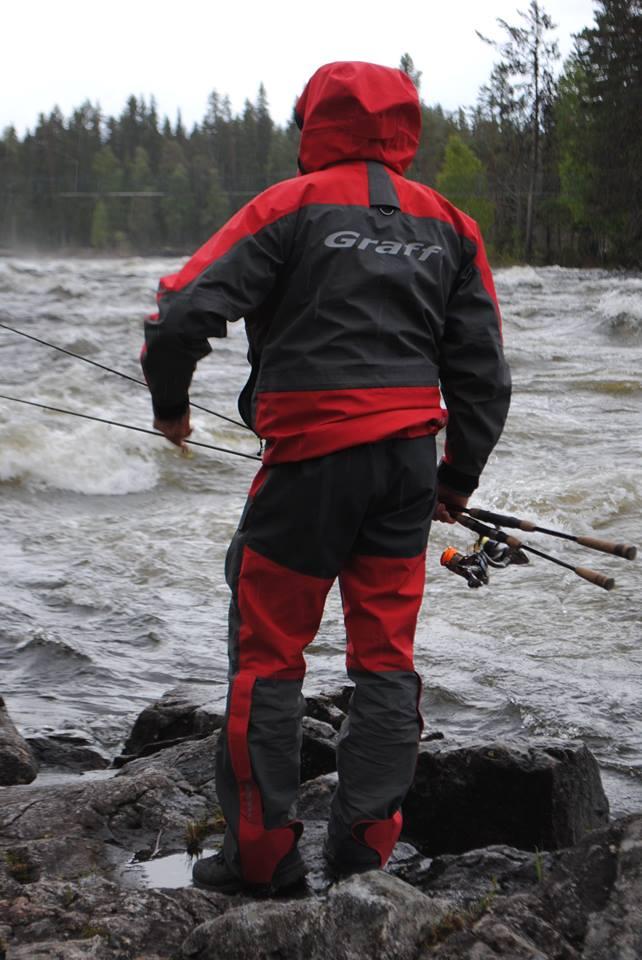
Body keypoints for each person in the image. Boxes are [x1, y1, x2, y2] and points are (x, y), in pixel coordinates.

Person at [141, 60, 511, 895]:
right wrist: (455, 480)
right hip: (408, 470)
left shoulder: (288, 206)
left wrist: (171, 409)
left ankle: (261, 855)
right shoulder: (451, 225)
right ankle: (367, 851)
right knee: (386, 657)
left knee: (269, 655)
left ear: (313, 124)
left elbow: (180, 313)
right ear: (405, 128)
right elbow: (485, 375)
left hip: (307, 469)